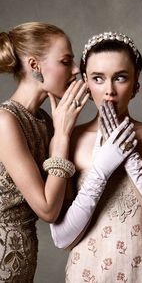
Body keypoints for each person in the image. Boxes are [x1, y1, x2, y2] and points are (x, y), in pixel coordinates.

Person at [50, 31, 142, 282]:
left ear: (135, 85)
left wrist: (132, 159)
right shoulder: (69, 139)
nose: (109, 90)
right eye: (98, 78)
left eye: (120, 78)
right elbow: (62, 238)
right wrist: (100, 170)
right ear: (86, 84)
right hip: (86, 274)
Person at [0, 21, 89, 282]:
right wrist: (62, 136)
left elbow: (64, 202)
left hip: (24, 260)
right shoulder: (5, 121)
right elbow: (47, 210)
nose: (75, 70)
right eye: (66, 61)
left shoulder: (45, 120)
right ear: (34, 65)